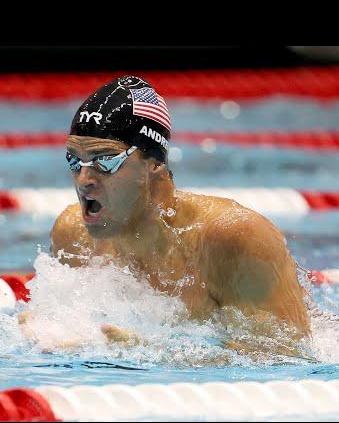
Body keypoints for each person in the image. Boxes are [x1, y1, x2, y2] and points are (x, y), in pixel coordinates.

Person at [19, 75, 310, 356]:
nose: (84, 180)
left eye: (105, 161)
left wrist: (159, 353)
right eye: (74, 160)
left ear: (154, 163)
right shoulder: (73, 235)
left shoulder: (232, 238)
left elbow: (291, 355)